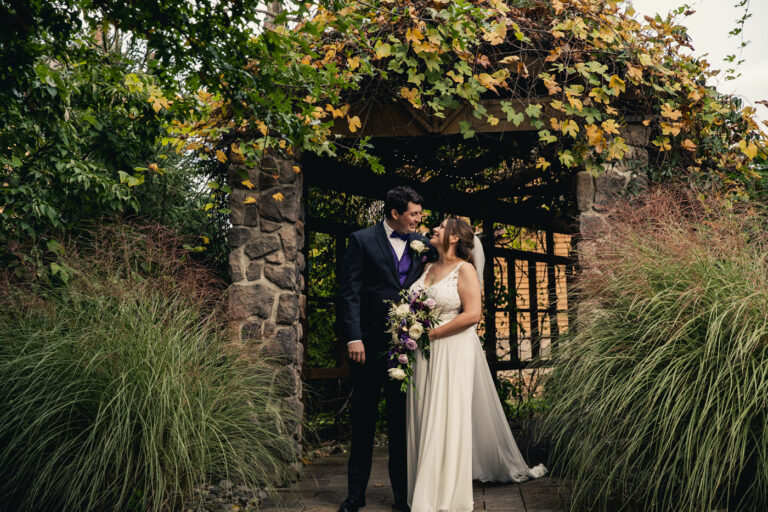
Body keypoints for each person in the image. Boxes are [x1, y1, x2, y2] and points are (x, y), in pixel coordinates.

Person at [406, 217, 547, 512]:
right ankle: (424, 489)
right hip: (423, 354)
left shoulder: (465, 269)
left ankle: (443, 496)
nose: (434, 229)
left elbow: (472, 315)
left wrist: (429, 334)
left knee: (445, 418)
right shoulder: (428, 268)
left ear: (455, 238)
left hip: (450, 350)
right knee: (423, 416)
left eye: (441, 227)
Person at [338, 186, 432, 512]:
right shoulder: (361, 240)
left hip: (405, 348)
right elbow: (349, 292)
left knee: (400, 425)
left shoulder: (422, 245)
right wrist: (353, 338)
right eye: (414, 214)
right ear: (395, 213)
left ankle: (402, 497)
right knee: (363, 421)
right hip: (367, 346)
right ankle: (355, 495)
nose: (419, 220)